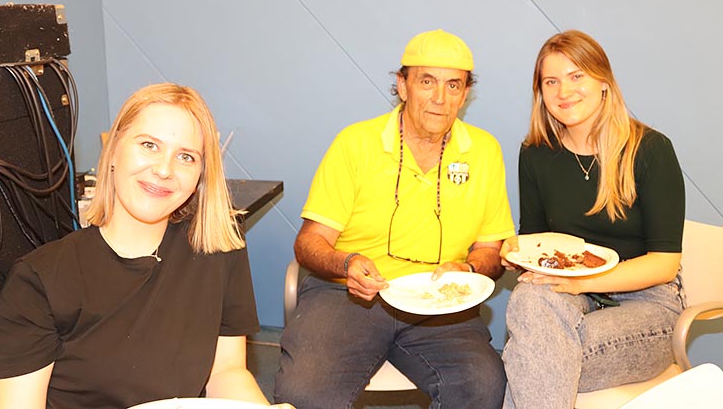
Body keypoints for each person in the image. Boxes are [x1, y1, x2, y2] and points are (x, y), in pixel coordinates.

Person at [0, 83, 292, 409]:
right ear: (113, 150)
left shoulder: (219, 246)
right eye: (149, 145)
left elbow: (226, 372)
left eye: (185, 157)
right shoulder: (38, 282)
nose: (164, 170)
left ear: (201, 175)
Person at [274, 29, 516, 409]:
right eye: (427, 82)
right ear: (403, 86)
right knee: (304, 394)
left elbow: (490, 250)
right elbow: (308, 244)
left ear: (465, 93)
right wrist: (347, 264)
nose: (440, 98)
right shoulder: (355, 143)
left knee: (482, 385)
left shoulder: (484, 151)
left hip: (437, 304)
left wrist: (468, 269)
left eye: (453, 85)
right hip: (349, 295)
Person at [500, 30, 686, 408]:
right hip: (569, 298)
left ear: (603, 81)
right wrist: (515, 253)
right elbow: (536, 242)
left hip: (649, 304)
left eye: (576, 76)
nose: (564, 91)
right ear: (540, 92)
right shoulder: (535, 153)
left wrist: (583, 282)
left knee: (531, 352)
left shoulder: (650, 149)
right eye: (551, 81)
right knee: (530, 302)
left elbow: (665, 264)